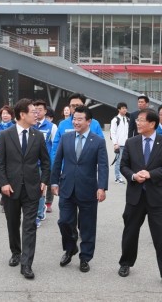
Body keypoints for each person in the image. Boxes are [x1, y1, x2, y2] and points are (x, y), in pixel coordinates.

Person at [118, 108, 162, 290]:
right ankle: (126, 262)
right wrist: (134, 176)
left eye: (141, 120)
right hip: (135, 195)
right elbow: (123, 166)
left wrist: (151, 174)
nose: (137, 123)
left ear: (152, 123)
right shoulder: (131, 142)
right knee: (130, 231)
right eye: (137, 120)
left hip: (157, 197)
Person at [0, 98, 50, 280]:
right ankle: (16, 252)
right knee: (13, 223)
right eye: (33, 112)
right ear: (22, 115)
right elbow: (0, 163)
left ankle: (26, 264)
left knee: (29, 226)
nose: (36, 114)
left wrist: (44, 181)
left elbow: (46, 161)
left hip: (33, 188)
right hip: (11, 188)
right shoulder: (5, 135)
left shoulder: (38, 135)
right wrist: (3, 183)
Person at [51, 106, 108, 273]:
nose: (75, 122)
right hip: (66, 187)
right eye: (74, 119)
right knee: (64, 222)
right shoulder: (66, 138)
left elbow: (103, 166)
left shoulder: (98, 141)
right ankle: (70, 248)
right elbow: (58, 161)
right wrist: (54, 182)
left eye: (79, 119)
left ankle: (85, 258)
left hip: (88, 189)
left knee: (88, 227)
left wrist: (102, 187)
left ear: (88, 121)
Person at [34, 100, 57, 218]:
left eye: (40, 110)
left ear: (45, 111)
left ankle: (38, 213)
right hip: (30, 163)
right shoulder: (30, 124)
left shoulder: (52, 127)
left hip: (44, 163)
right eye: (35, 109)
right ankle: (38, 208)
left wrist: (52, 164)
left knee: (41, 188)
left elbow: (55, 146)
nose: (37, 112)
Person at [109, 102, 129, 184]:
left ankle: (123, 176)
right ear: (119, 109)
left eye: (125, 108)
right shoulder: (115, 120)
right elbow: (112, 132)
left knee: (126, 161)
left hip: (127, 144)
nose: (125, 110)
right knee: (118, 161)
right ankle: (117, 177)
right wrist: (115, 144)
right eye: (123, 108)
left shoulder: (127, 119)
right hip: (119, 144)